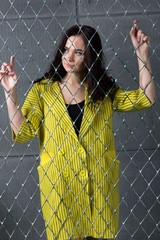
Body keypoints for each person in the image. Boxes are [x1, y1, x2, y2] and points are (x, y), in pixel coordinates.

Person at [0, 20, 156, 240]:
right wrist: (10, 94)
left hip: (99, 189)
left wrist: (142, 54)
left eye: (78, 52)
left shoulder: (102, 91)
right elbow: (23, 133)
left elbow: (146, 99)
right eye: (66, 50)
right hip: (60, 189)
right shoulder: (43, 91)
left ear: (91, 56)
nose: (69, 58)